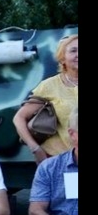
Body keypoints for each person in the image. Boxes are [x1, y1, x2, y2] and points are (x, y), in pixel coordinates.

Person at [13, 34, 78, 164]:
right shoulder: (50, 86)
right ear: (62, 58)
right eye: (73, 51)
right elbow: (19, 118)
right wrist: (36, 149)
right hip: (62, 162)